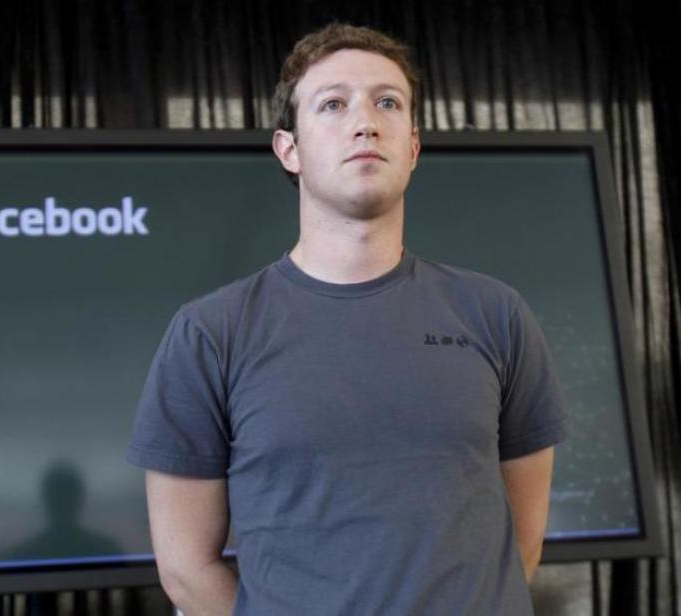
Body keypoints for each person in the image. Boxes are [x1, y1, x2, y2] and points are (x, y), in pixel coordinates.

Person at [127, 22, 569, 615]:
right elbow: (186, 570)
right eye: (333, 104)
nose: (366, 121)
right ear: (290, 149)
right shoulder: (210, 334)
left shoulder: (497, 315)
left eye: (387, 102)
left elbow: (522, 543)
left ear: (412, 146)